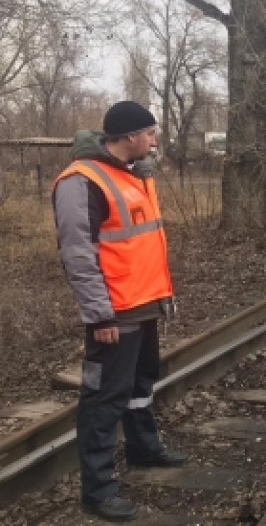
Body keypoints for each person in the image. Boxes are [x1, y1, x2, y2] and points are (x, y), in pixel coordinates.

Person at [53, 101, 186, 522]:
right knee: (104, 399)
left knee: (141, 385)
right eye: (149, 132)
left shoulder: (132, 174)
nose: (154, 139)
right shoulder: (81, 181)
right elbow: (78, 255)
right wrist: (100, 315)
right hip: (115, 313)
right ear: (129, 136)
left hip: (144, 306)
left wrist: (161, 298)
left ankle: (145, 450)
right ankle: (98, 489)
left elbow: (138, 244)